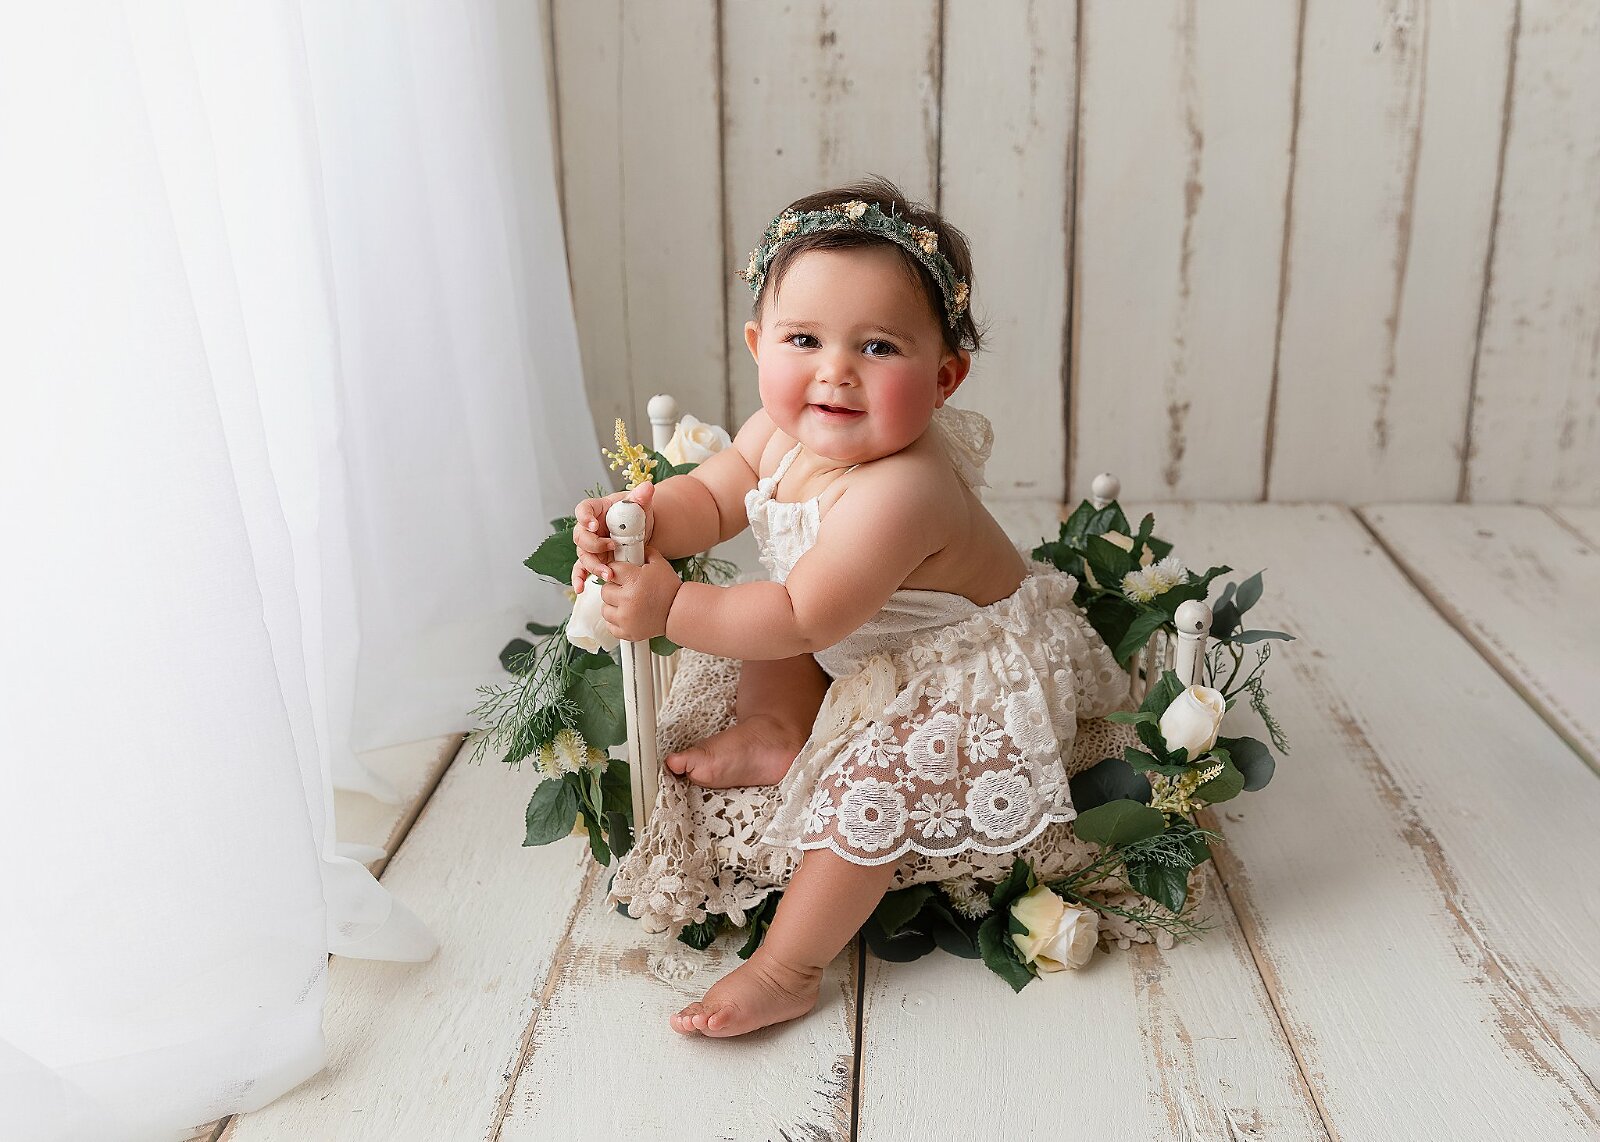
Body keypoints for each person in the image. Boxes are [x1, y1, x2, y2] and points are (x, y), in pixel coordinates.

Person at [568, 175, 1131, 1038]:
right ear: (759, 345)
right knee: (761, 612)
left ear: (944, 377)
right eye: (804, 338)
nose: (835, 372)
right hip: (856, 631)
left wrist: (669, 608)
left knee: (875, 782)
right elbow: (711, 502)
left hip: (962, 669)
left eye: (877, 348)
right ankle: (774, 728)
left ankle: (789, 966)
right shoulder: (777, 432)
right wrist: (636, 520)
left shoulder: (902, 491)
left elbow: (803, 619)